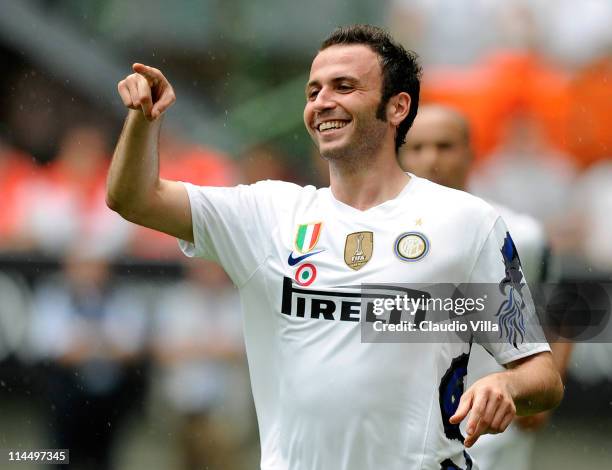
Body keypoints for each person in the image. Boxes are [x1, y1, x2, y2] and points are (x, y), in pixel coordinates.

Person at [107, 24, 563, 470]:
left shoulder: (466, 222)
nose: (322, 102)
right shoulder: (267, 213)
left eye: (344, 86)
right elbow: (133, 198)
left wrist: (505, 383)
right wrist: (143, 122)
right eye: (313, 91)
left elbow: (542, 375)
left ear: (397, 107)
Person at [399, 104, 573, 470]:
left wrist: (541, 386)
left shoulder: (520, 233)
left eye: (445, 146)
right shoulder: (381, 235)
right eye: (418, 147)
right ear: (400, 153)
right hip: (405, 436)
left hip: (494, 437)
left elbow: (559, 314)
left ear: (470, 151)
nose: (431, 158)